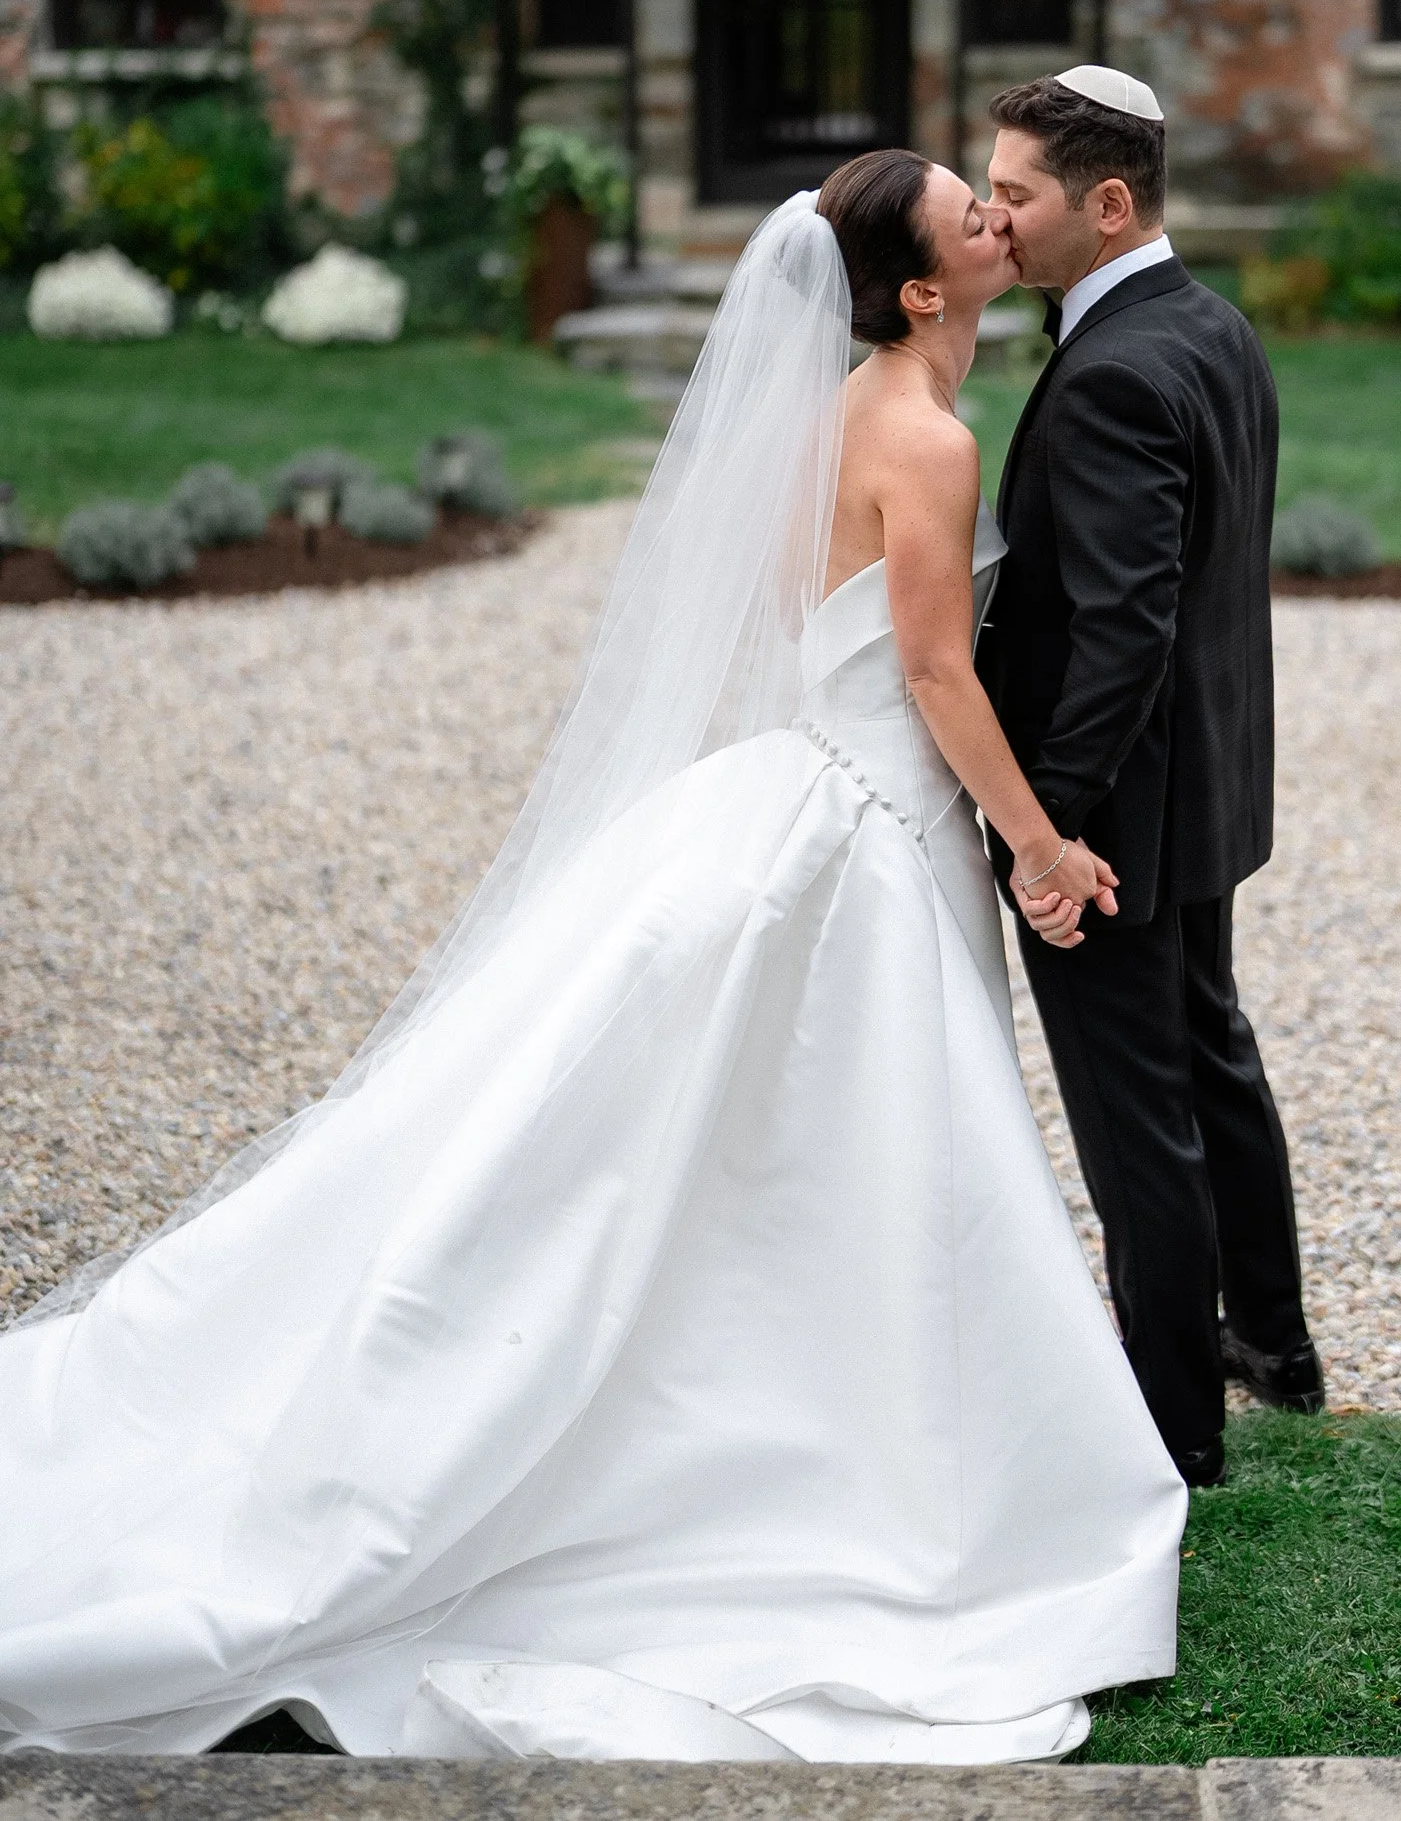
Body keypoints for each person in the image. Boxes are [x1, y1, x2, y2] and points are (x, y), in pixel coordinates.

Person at [0, 153, 1184, 1765]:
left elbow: (809, 625)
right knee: (846, 1155)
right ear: (919, 291)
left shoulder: (842, 415)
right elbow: (923, 669)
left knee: (789, 1161)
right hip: (861, 831)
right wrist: (1039, 844)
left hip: (814, 799)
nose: (998, 217)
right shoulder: (922, 435)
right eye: (967, 214)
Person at [978, 68, 1323, 1491]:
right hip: (1205, 788)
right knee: (1211, 1059)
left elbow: (1120, 625)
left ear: (1106, 205)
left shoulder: (1116, 367)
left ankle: (1176, 1425)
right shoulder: (1209, 324)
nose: (994, 221)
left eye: (1016, 196)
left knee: (1140, 1127)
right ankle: (1278, 1346)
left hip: (1117, 814)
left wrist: (1048, 826)